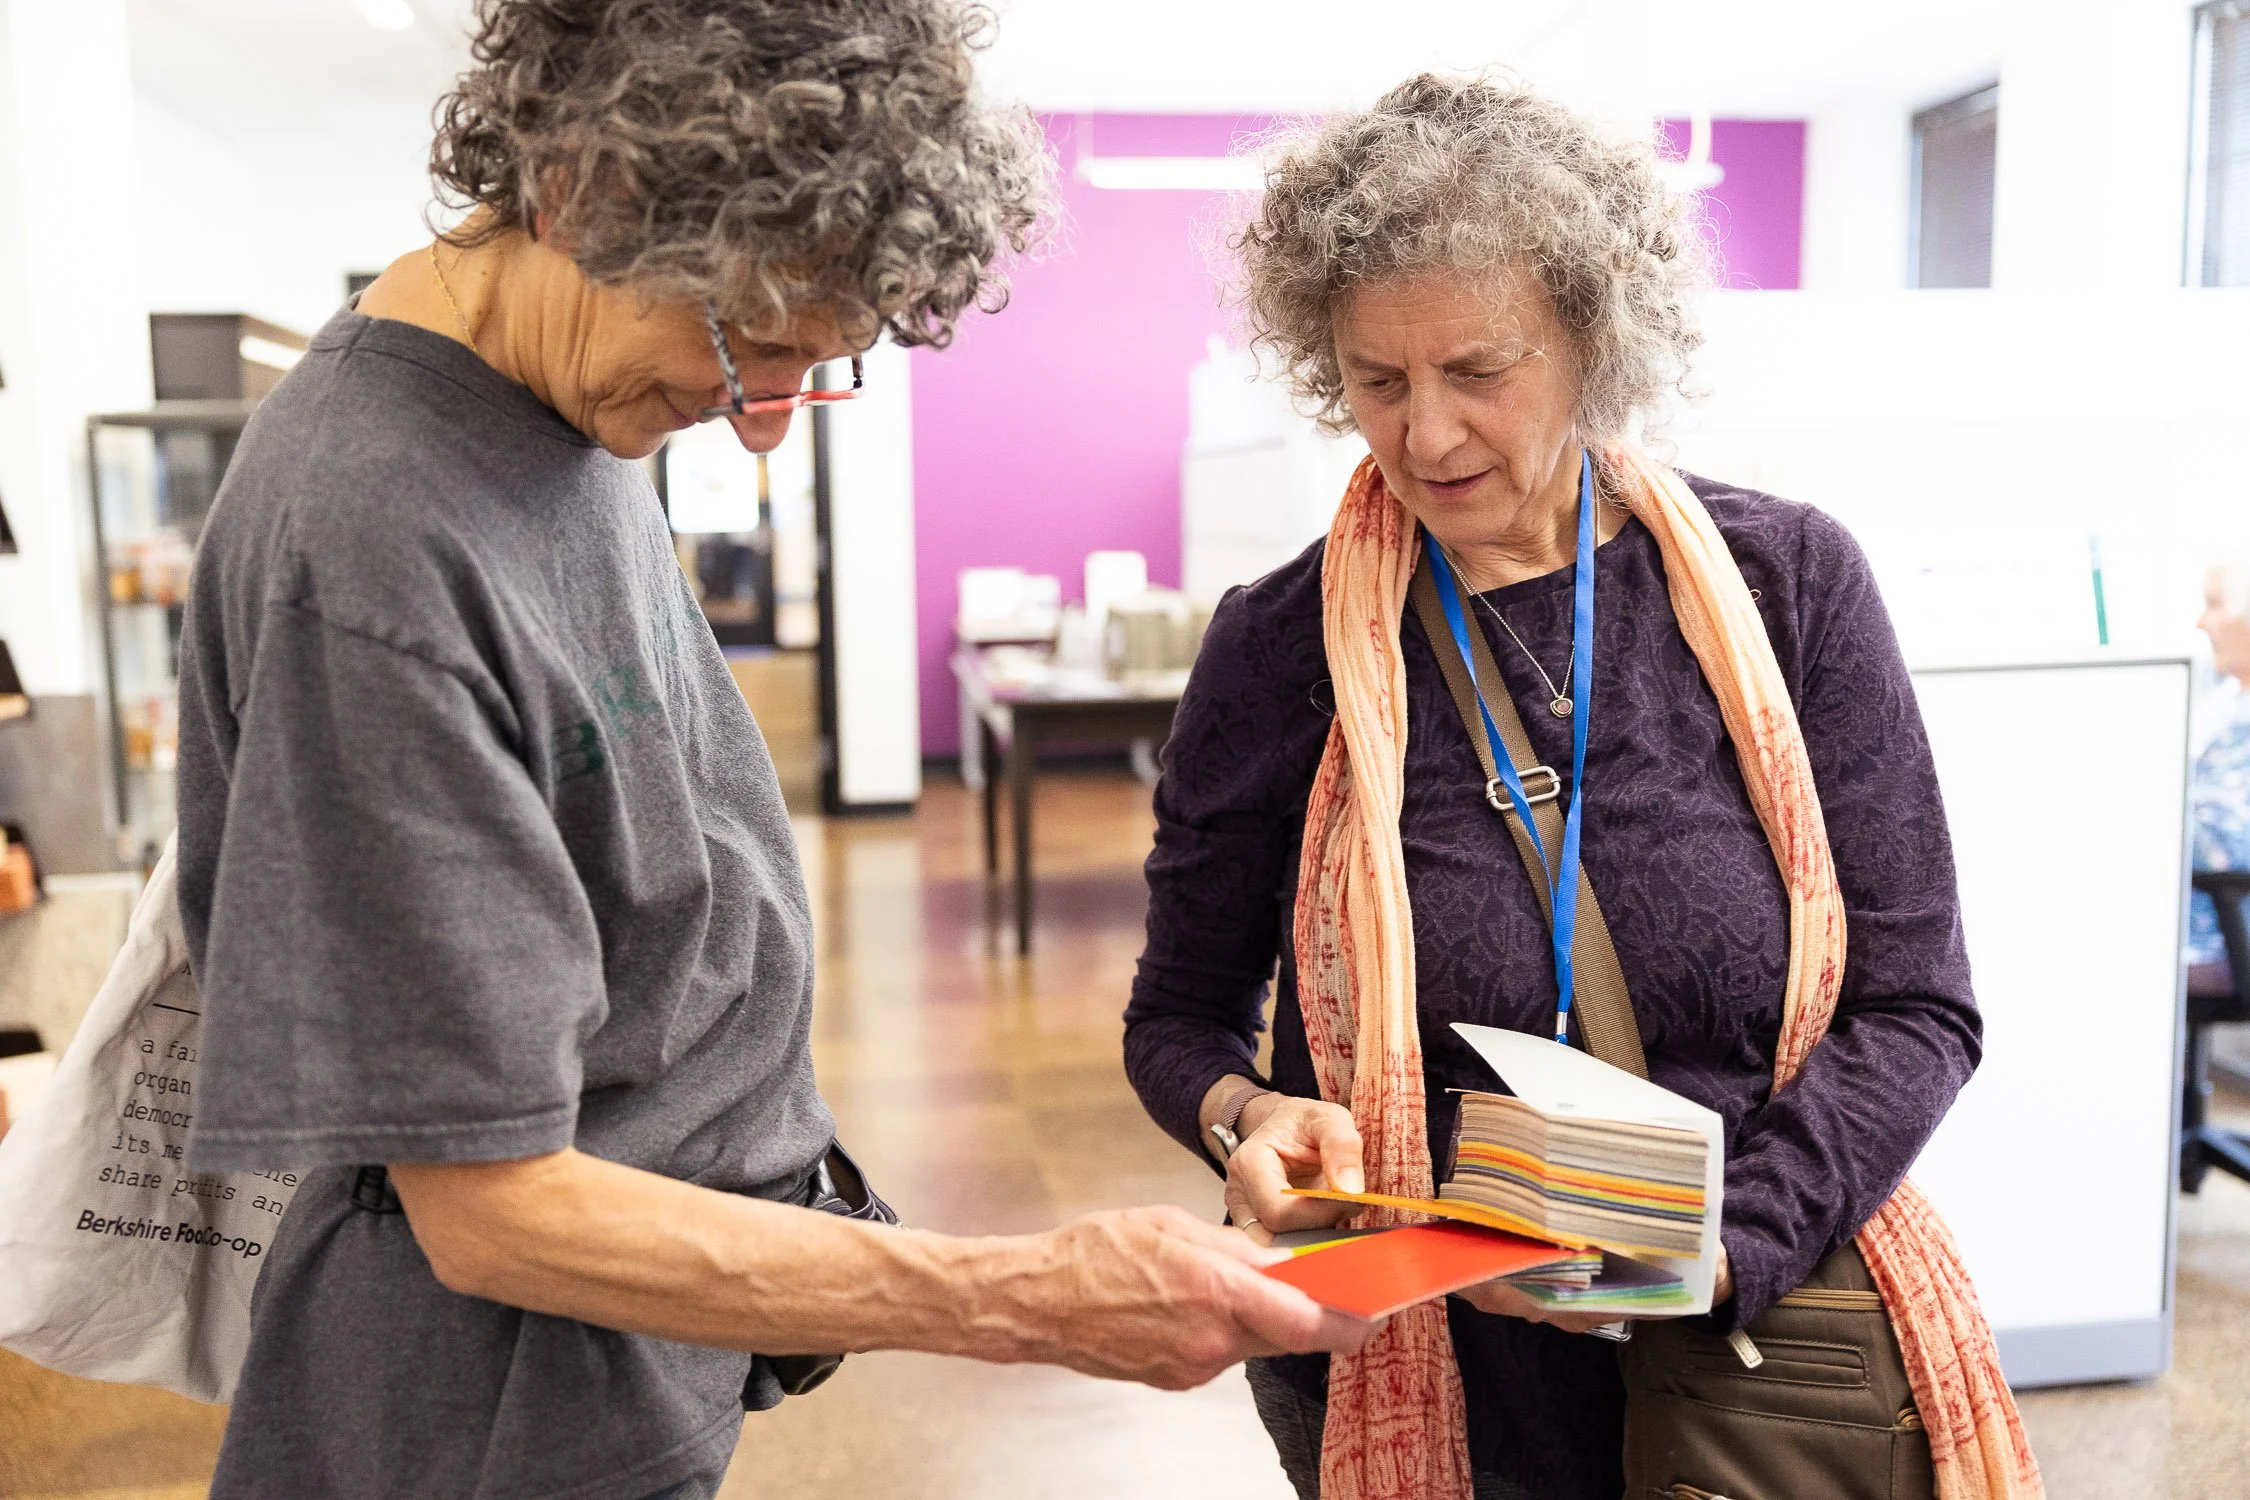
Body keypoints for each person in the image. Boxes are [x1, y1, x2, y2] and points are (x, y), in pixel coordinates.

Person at [175, 5, 1365, 1499]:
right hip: (482, 1421)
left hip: (638, 1352)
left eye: (821, 365)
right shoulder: (373, 546)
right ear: (585, 194)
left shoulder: (565, 401)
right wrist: (1018, 1297)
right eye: (754, 347)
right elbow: (488, 1211)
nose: (758, 428)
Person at [1124, 76, 2003, 1500]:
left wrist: (1721, 1250)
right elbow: (1178, 1017)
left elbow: (1916, 1004)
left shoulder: (1784, 587)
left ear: (1591, 341)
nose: (1424, 436)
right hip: (1409, 1357)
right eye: (1375, 381)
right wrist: (1239, 1117)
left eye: (1478, 369)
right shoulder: (1278, 645)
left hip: (1746, 1345)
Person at [2189, 563, 2250, 992]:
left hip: (2225, 936)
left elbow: (2227, 840)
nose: (2201, 621)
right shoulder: (2223, 701)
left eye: (2215, 605)